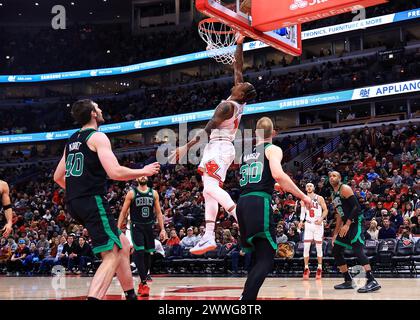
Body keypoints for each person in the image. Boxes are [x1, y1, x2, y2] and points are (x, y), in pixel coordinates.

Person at [53, 99, 160, 300]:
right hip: (92, 201)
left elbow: (58, 177)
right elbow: (115, 172)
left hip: (75, 202)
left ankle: (130, 294)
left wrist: (78, 188)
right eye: (98, 107)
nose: (101, 109)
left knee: (123, 244)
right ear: (93, 113)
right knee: (111, 254)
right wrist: (143, 171)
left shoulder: (72, 140)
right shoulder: (97, 137)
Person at [170, 34, 257, 255]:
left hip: (219, 147)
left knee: (211, 188)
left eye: (242, 84)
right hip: (219, 148)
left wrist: (185, 147)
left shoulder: (226, 107)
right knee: (208, 192)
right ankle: (208, 236)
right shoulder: (237, 99)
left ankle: (241, 218)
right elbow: (238, 67)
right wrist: (239, 43)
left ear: (242, 93)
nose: (239, 81)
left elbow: (206, 130)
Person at [237, 117, 311, 300]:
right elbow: (278, 174)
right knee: (267, 257)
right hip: (258, 203)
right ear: (274, 133)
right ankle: (246, 301)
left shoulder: (246, 154)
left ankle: (245, 297)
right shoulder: (273, 149)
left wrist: (272, 186)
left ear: (256, 134)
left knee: (258, 256)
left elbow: (258, 177)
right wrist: (303, 196)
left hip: (243, 203)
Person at [329, 171, 381, 293]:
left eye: (334, 175)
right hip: (345, 224)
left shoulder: (345, 188)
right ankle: (348, 280)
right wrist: (335, 234)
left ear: (340, 178)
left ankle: (372, 280)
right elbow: (339, 215)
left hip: (356, 223)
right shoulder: (333, 194)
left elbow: (357, 207)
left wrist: (347, 224)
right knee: (336, 250)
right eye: (330, 176)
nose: (332, 177)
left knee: (357, 249)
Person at [118, 176, 166, 297]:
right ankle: (144, 283)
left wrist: (163, 229)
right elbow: (123, 212)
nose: (143, 177)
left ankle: (142, 282)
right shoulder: (131, 193)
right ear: (137, 179)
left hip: (149, 227)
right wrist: (118, 229)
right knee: (138, 252)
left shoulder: (153, 193)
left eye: (145, 175)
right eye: (140, 175)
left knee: (147, 254)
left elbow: (159, 213)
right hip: (136, 227)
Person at [298, 182, 328, 280]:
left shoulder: (319, 198)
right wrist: (301, 221)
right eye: (307, 186)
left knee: (319, 247)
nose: (309, 187)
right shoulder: (303, 199)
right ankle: (306, 268)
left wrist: (322, 218)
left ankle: (319, 268)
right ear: (306, 189)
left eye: (311, 185)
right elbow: (302, 212)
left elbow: (326, 210)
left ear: (314, 188)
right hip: (308, 224)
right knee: (306, 247)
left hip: (318, 224)